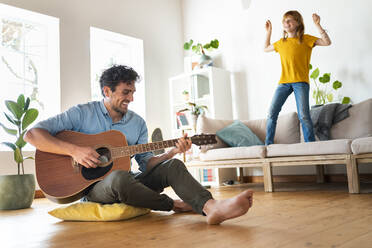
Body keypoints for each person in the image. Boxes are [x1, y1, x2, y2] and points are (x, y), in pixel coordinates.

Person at [25, 65, 253, 225]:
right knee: (118, 178)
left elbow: (147, 165)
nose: (131, 98)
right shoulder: (81, 113)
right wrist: (73, 150)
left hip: (131, 181)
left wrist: (173, 151)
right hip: (95, 189)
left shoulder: (137, 123)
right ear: (107, 91)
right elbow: (32, 134)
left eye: (133, 92)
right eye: (125, 92)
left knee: (172, 166)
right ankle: (174, 205)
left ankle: (211, 208)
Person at [264, 11, 332, 145]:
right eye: (284, 21)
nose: (286, 23)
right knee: (272, 112)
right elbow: (266, 48)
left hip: (301, 83)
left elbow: (326, 42)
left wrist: (318, 25)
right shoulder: (281, 43)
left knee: (304, 115)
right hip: (284, 83)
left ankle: (310, 145)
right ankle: (268, 144)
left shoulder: (306, 39)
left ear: (298, 23)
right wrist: (269, 31)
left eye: (289, 20)